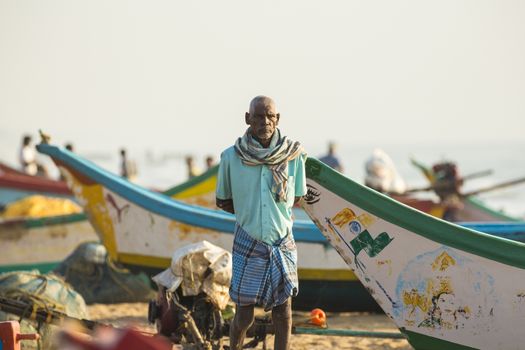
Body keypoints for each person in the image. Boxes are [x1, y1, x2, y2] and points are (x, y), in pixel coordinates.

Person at [216, 96, 307, 350]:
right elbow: (224, 201)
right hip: (248, 239)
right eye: (258, 116)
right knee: (244, 314)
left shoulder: (294, 156)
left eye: (270, 116)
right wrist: (250, 213)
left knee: (283, 311)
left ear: (278, 120)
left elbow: (297, 196)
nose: (264, 122)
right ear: (248, 119)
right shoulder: (231, 157)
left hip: (282, 241)